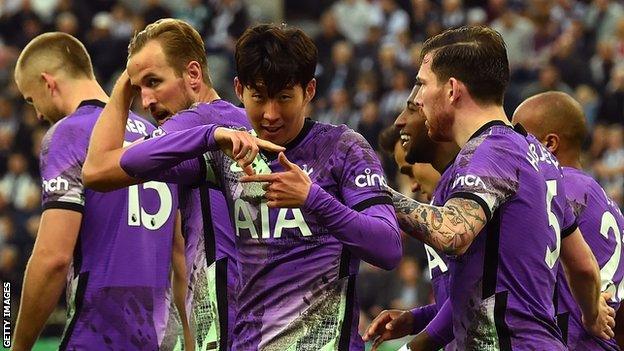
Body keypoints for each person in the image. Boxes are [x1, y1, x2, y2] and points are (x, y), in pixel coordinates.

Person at [82, 23, 403, 350]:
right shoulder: (222, 151)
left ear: (310, 91)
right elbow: (102, 174)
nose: (270, 114)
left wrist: (312, 198)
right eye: (259, 97)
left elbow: (388, 248)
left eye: (284, 98)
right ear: (239, 89)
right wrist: (209, 136)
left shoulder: (343, 148)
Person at [386, 25, 614, 350]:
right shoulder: (536, 153)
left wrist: (369, 190)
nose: (417, 99)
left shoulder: (490, 151)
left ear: (452, 90)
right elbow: (583, 266)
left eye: (422, 85)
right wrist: (592, 315)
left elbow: (453, 232)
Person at [11, 32, 183, 350]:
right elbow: (180, 251)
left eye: (32, 99)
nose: (36, 114)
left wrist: (18, 346)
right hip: (161, 338)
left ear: (48, 82)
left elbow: (53, 259)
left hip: (99, 335)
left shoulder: (69, 134)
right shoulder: (156, 136)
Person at [88, 18, 248, 351]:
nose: (145, 101)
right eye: (138, 88)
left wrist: (122, 87)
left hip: (227, 316)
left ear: (193, 74)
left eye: (153, 82)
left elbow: (97, 170)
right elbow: (180, 251)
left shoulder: (193, 125)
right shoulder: (244, 119)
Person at [513, 91, 624, 351]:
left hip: (575, 340)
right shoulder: (603, 200)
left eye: (520, 138)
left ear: (550, 144)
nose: (512, 148)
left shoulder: (561, 187)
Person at [367, 91, 458, 351]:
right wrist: (415, 318)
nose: (414, 185)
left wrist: (411, 349)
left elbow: (471, 296)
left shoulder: (464, 209)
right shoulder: (440, 206)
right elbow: (453, 301)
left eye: (410, 170)